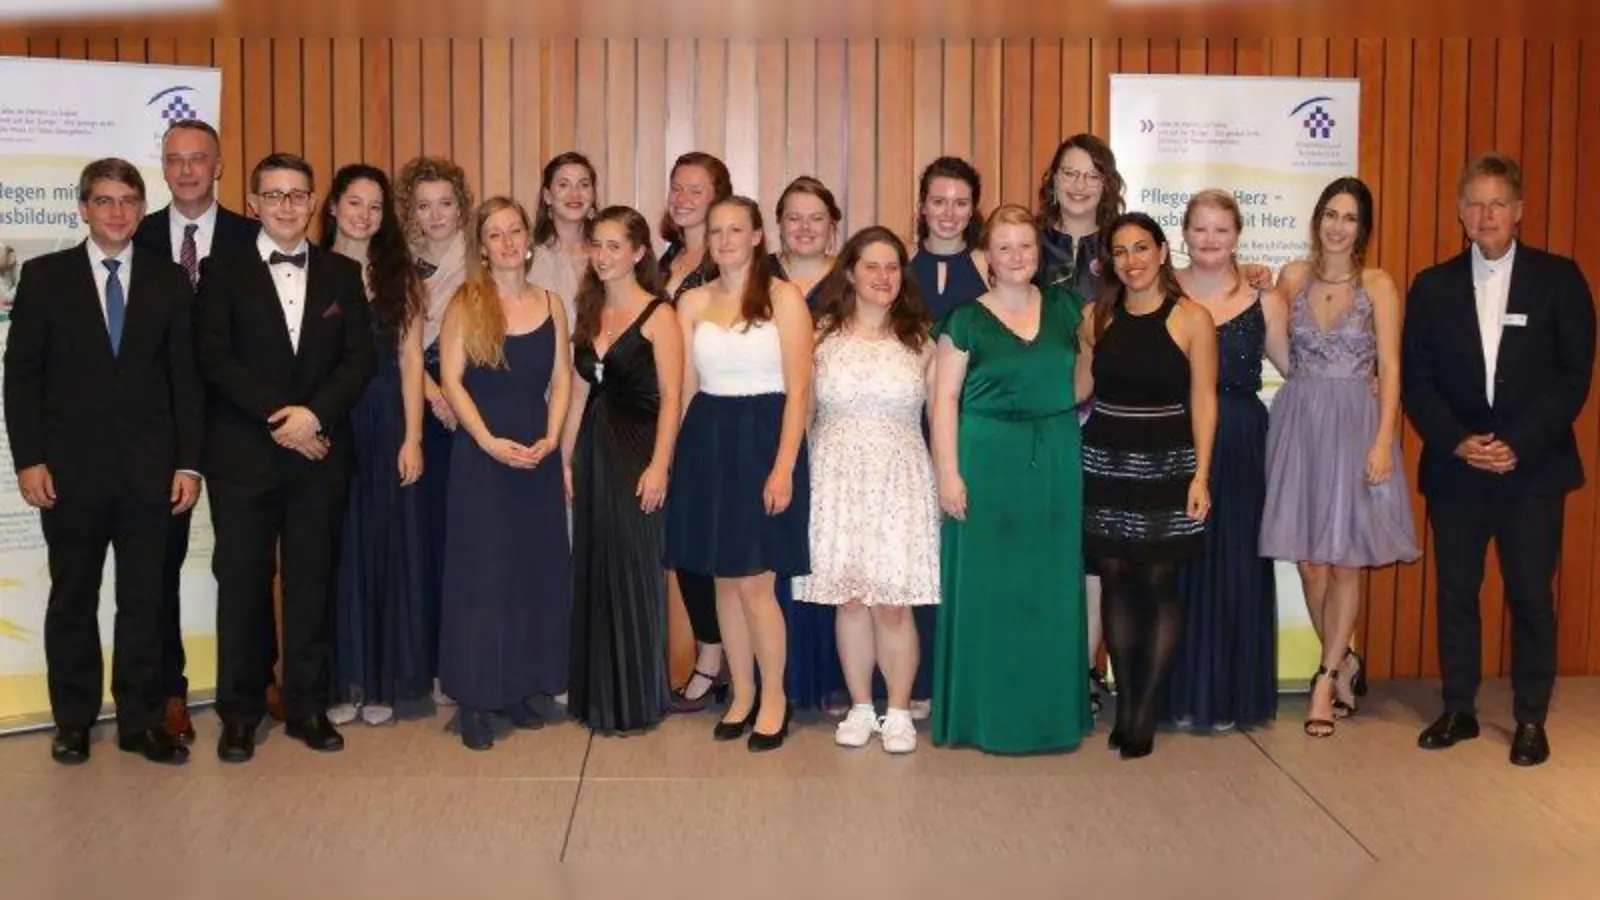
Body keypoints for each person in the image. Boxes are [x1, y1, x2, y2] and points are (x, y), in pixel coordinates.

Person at [4, 158, 203, 765]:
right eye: (103, 200)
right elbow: (21, 381)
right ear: (83, 208)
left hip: (150, 473)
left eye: (127, 201)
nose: (116, 211)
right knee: (73, 598)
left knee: (144, 600)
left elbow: (186, 381)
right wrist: (30, 460)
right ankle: (73, 719)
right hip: (69, 474)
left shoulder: (170, 281)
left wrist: (188, 464)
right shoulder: (44, 277)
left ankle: (140, 721)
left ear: (143, 210)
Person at [1403, 153, 1596, 767]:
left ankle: (1531, 717)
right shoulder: (1432, 286)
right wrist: (1458, 440)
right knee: (1457, 591)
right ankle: (1459, 706)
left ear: (1518, 211)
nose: (1485, 215)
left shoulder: (1560, 279)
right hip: (1457, 467)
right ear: (1460, 213)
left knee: (1531, 595)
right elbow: (1417, 380)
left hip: (1532, 467)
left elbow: (1574, 377)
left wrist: (1519, 440)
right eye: (1475, 204)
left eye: (1497, 204)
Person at [193, 153, 375, 763]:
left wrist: (312, 417)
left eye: (297, 195)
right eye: (273, 196)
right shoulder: (221, 270)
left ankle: (307, 707)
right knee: (242, 585)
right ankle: (241, 713)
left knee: (310, 584)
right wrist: (284, 419)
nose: (287, 207)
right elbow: (215, 360)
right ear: (253, 203)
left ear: (313, 200)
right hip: (245, 454)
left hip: (320, 452)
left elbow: (359, 361)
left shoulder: (342, 275)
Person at [1260, 177, 1419, 740]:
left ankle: (1325, 678)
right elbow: (1281, 356)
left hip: (1356, 424)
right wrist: (1263, 298)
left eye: (1349, 217)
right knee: (1309, 560)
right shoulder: (1292, 279)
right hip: (1301, 419)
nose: (1337, 225)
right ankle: (1345, 657)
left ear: (1363, 229)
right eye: (1330, 213)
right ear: (1316, 219)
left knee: (1347, 557)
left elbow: (1393, 369)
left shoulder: (1379, 285)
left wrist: (1383, 439)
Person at [929, 204, 1091, 755]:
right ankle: (982, 717)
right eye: (1005, 247)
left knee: (1047, 588)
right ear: (987, 258)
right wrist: (947, 472)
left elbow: (1087, 378)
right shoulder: (964, 319)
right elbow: (943, 399)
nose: (1017, 256)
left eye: (1026, 246)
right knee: (987, 590)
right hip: (983, 462)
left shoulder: (1071, 309)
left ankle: (1050, 718)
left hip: (1055, 462)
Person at [132, 118, 264, 741]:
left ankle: (257, 682)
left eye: (198, 158)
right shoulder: (138, 234)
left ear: (219, 166)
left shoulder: (253, 234)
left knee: (244, 563)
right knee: (161, 563)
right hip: (160, 429)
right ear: (163, 167)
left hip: (241, 423)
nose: (186, 169)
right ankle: (168, 693)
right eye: (174, 159)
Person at [664, 195, 812, 752]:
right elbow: (684, 390)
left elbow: (799, 391)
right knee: (723, 578)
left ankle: (775, 696)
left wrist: (783, 467)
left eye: (735, 230)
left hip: (763, 438)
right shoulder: (692, 301)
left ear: (756, 236)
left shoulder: (783, 298)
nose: (724, 239)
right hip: (708, 441)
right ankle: (742, 692)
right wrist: (674, 459)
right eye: (715, 231)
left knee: (757, 583)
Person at [1077, 211, 1218, 760]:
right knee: (1113, 580)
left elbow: (1204, 399)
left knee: (1157, 585)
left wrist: (1201, 474)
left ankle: (1143, 711)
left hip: (1168, 463)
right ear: (1109, 261)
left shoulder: (1191, 318)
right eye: (1120, 251)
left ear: (1162, 252)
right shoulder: (1096, 316)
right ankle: (1128, 695)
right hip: (1107, 460)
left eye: (1141, 248)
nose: (1131, 260)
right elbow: (1077, 386)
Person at [437, 196, 573, 751]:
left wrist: (552, 438)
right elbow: (451, 382)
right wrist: (489, 442)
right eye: (496, 235)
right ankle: (474, 699)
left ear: (528, 238)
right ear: (483, 248)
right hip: (484, 458)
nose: (509, 242)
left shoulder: (552, 302)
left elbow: (563, 379)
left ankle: (517, 686)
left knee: (530, 574)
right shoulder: (467, 303)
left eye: (515, 231)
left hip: (535, 456)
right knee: (482, 579)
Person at [803, 226, 938, 754]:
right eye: (872, 266)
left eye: (892, 267)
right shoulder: (821, 336)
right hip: (836, 475)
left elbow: (940, 417)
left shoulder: (922, 339)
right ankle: (862, 705)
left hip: (900, 478)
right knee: (852, 600)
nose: (883, 277)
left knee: (893, 604)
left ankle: (899, 710)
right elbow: (806, 414)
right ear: (851, 273)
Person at [1164, 190, 1290, 733]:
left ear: (1238, 235)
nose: (1210, 240)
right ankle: (1180, 694)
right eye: (1200, 229)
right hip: (1174, 437)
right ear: (1184, 234)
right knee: (1180, 568)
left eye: (1221, 230)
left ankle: (1231, 695)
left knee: (1236, 564)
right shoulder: (1162, 289)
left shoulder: (1267, 299)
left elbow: (1293, 366)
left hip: (1240, 439)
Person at [562, 205, 684, 734]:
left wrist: (660, 466)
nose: (605, 255)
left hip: (639, 455)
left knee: (636, 575)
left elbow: (675, 397)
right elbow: (579, 392)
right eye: (598, 244)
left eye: (617, 245)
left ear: (639, 252)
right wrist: (565, 458)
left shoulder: (660, 314)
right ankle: (596, 698)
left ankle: (635, 698)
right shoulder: (588, 311)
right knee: (594, 571)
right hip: (593, 454)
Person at [317, 164, 429, 727]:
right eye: (355, 203)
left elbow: (412, 359)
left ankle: (381, 680)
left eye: (376, 206)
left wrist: (413, 437)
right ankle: (343, 679)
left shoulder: (397, 274)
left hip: (386, 416)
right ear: (333, 206)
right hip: (329, 424)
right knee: (334, 552)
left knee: (384, 548)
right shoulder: (310, 268)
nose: (365, 215)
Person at [657, 151, 735, 713]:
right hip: (659, 413)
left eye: (697, 190)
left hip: (713, 415)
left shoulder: (733, 264)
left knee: (717, 546)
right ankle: (711, 652)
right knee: (684, 544)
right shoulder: (660, 260)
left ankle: (720, 660)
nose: (684, 197)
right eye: (677, 187)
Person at [395, 156, 474, 707]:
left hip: (469, 408)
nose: (436, 214)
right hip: (413, 407)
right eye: (424, 205)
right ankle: (418, 664)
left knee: (460, 543)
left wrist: (453, 394)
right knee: (416, 540)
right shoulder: (396, 262)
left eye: (445, 202)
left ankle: (458, 664)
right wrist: (429, 391)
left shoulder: (483, 258)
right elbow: (397, 342)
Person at [528, 151, 598, 310]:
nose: (575, 194)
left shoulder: (606, 253)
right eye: (563, 185)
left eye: (584, 185)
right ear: (547, 196)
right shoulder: (529, 257)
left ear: (593, 195)